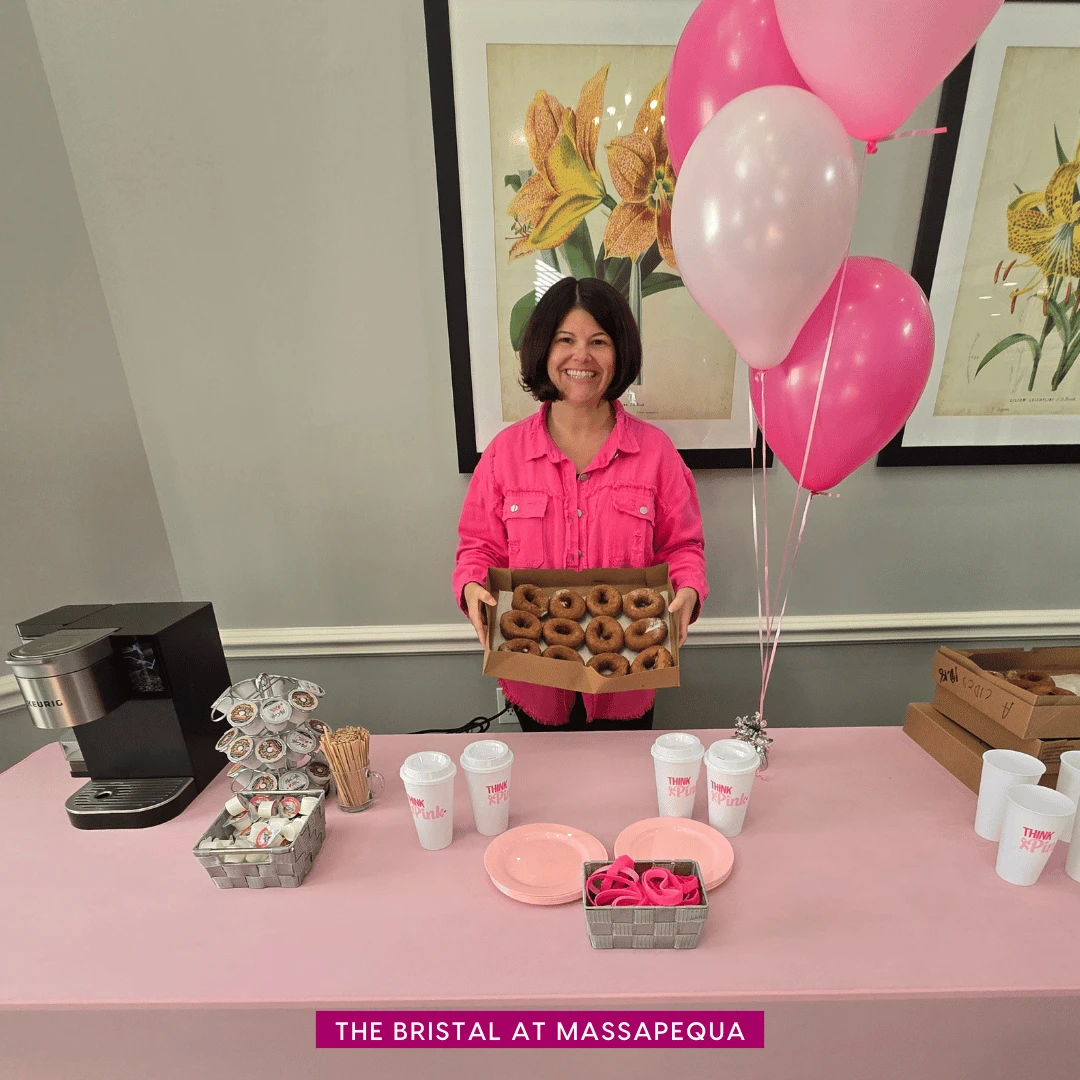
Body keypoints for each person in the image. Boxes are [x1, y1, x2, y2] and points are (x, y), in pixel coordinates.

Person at [452, 276, 708, 730]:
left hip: (630, 678)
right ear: (543, 351)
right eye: (565, 340)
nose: (581, 357)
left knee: (625, 797)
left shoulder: (655, 454)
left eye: (599, 341)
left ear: (620, 352)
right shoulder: (504, 455)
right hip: (534, 681)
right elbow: (478, 549)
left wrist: (688, 591)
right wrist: (472, 587)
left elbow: (683, 548)